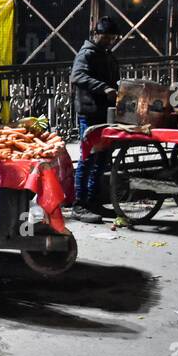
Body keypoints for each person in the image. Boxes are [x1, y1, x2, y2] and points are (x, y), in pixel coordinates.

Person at [69, 16, 121, 222]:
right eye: (106, 37)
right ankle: (79, 204)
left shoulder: (107, 54)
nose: (109, 41)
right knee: (88, 157)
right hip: (90, 113)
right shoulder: (87, 53)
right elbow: (78, 76)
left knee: (101, 159)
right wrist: (104, 87)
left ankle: (93, 201)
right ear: (96, 34)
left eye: (112, 38)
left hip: (104, 112)